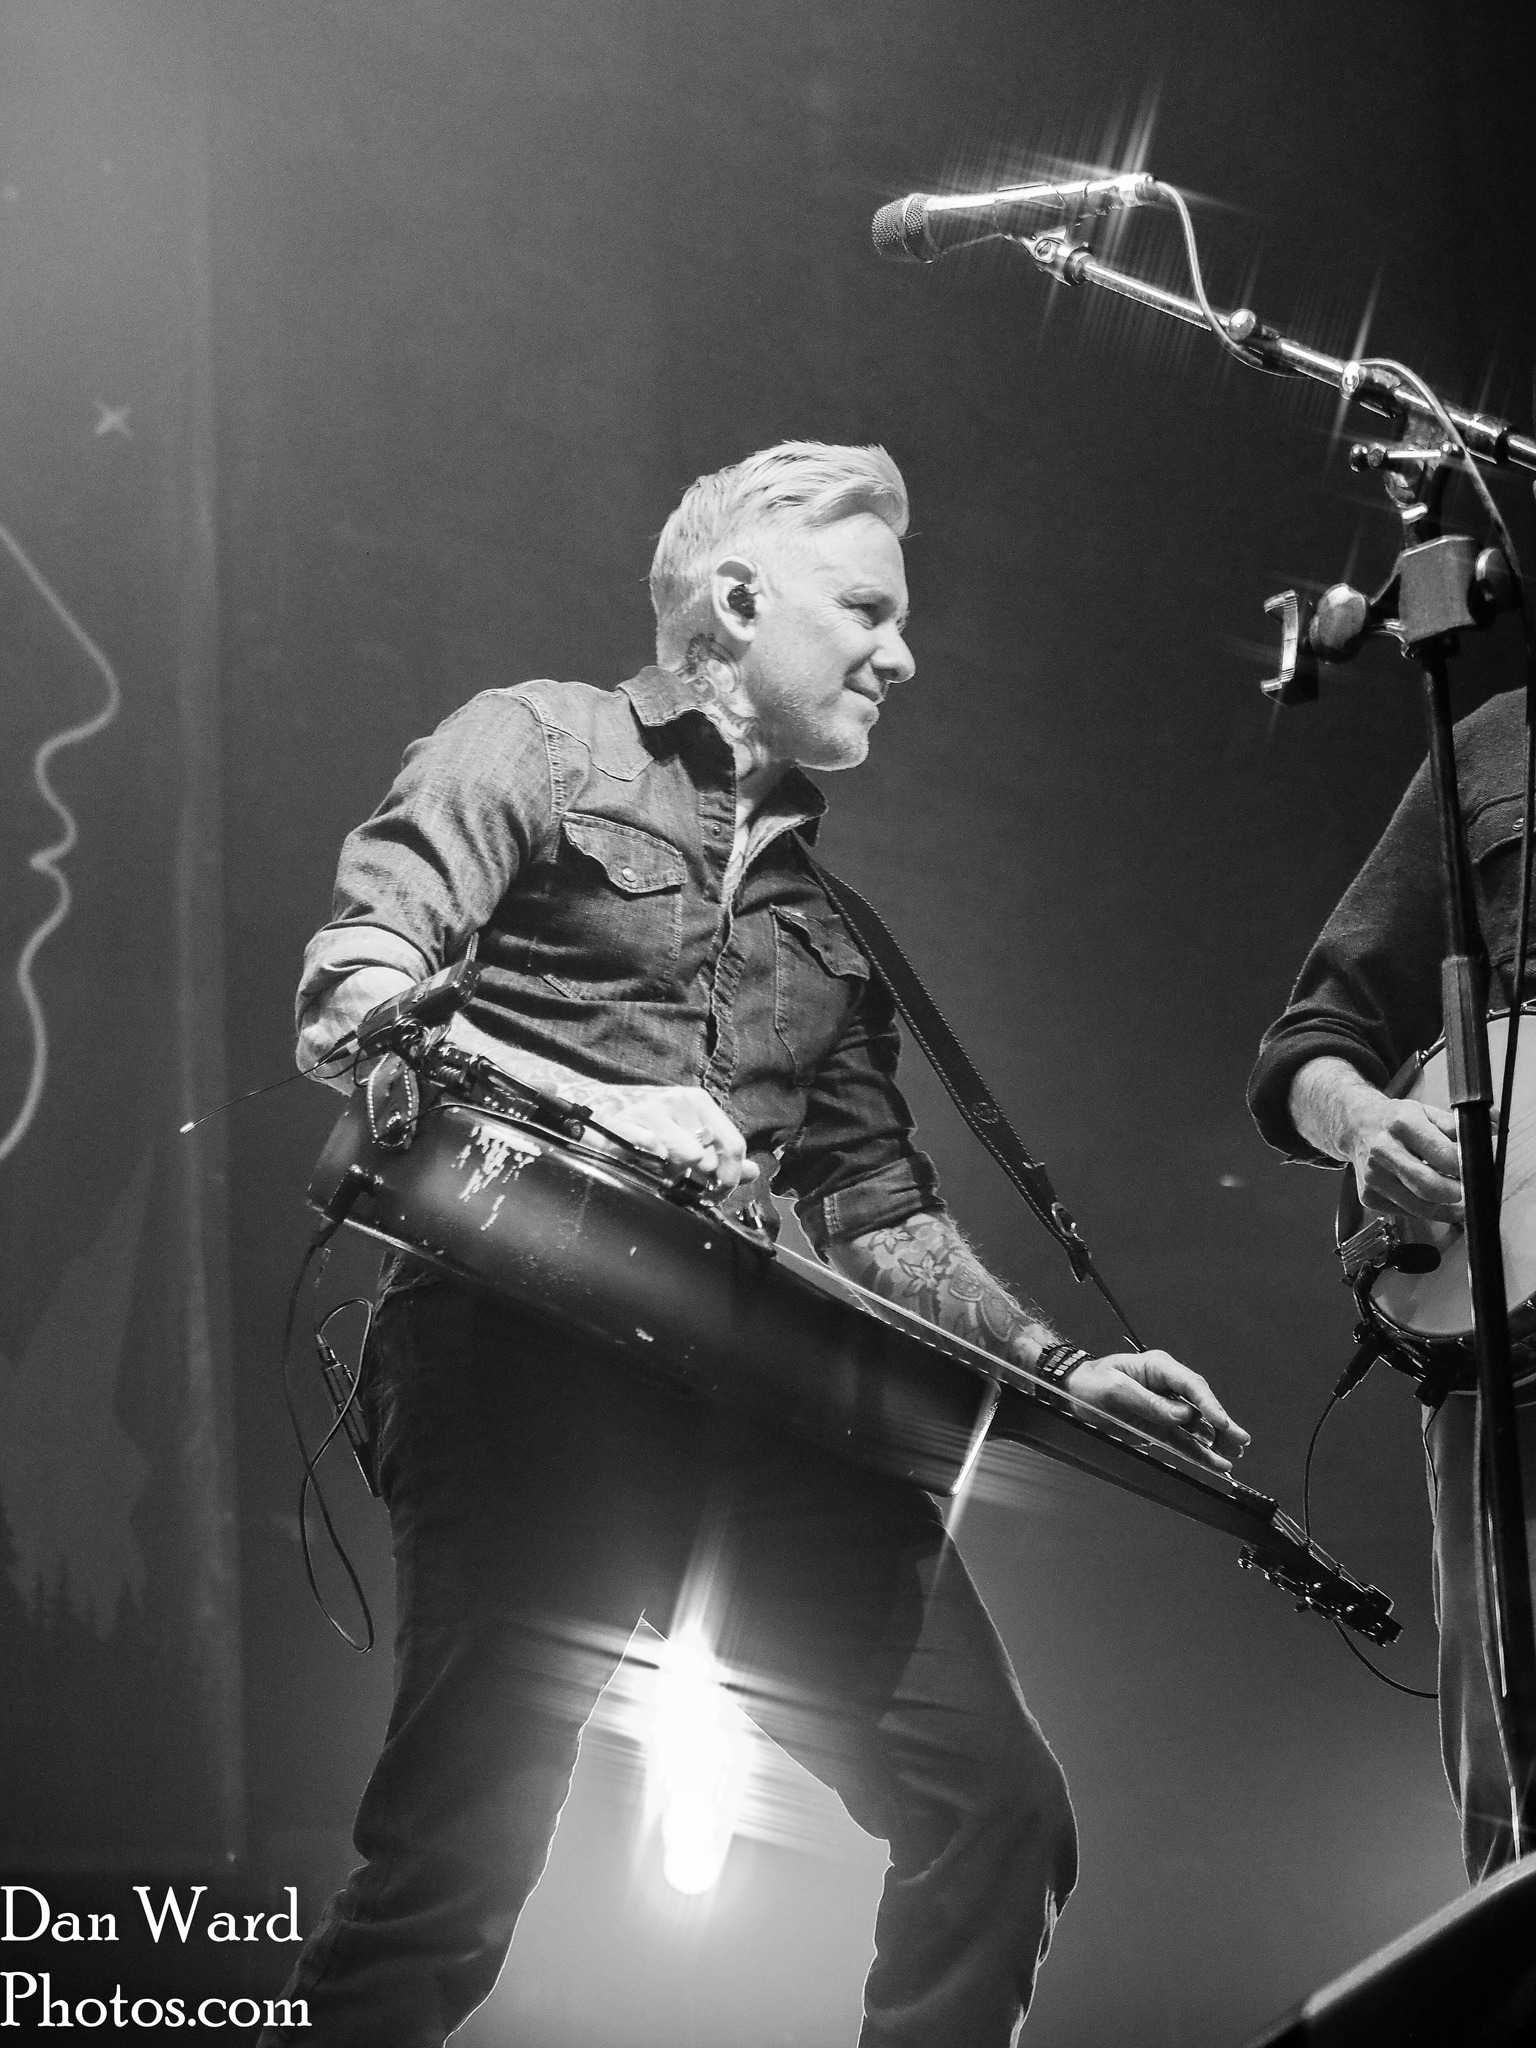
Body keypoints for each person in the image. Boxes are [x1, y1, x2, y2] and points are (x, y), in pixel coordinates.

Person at [266, 441, 1248, 2047]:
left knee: (1000, 1811)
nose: (902, 654)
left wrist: (1061, 1369)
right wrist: (605, 1107)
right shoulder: (535, 741)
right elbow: (349, 1003)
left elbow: (879, 1210)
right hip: (518, 1365)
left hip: (759, 1404)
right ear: (737, 601)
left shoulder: (831, 926)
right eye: (867, 609)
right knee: (455, 1871)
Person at [1247, 684, 1534, 1883]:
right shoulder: (1494, 740)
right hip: (1509, 1385)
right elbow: (1308, 1046)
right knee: (1515, 1818)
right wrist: (1367, 1123)